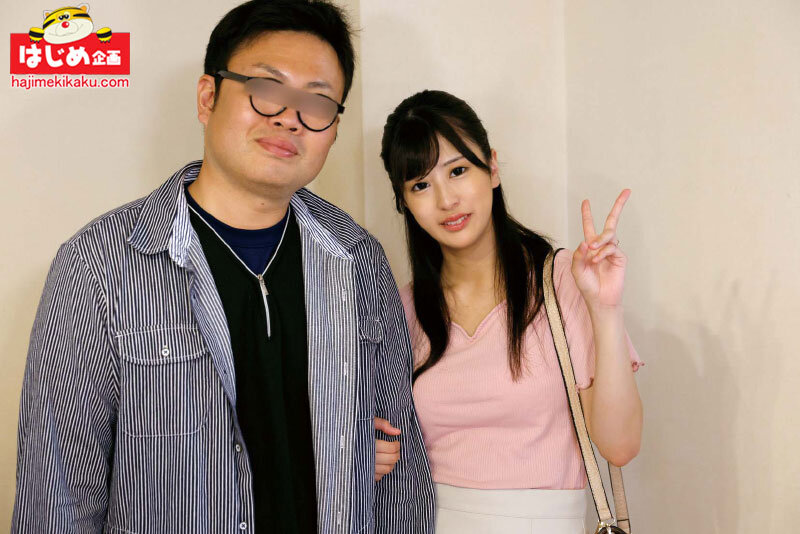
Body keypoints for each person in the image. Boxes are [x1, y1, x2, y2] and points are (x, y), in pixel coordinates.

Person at [12, 2, 434, 532]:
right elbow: (57, 496)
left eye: (317, 101)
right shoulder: (98, 264)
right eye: (266, 87)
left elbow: (399, 475)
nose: (289, 116)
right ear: (208, 97)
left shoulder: (357, 258)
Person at [379, 90, 644, 533]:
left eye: (458, 171)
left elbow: (620, 447)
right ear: (404, 201)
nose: (446, 199)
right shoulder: (402, 310)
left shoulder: (563, 281)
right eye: (420, 185)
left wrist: (605, 309)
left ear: (493, 167)